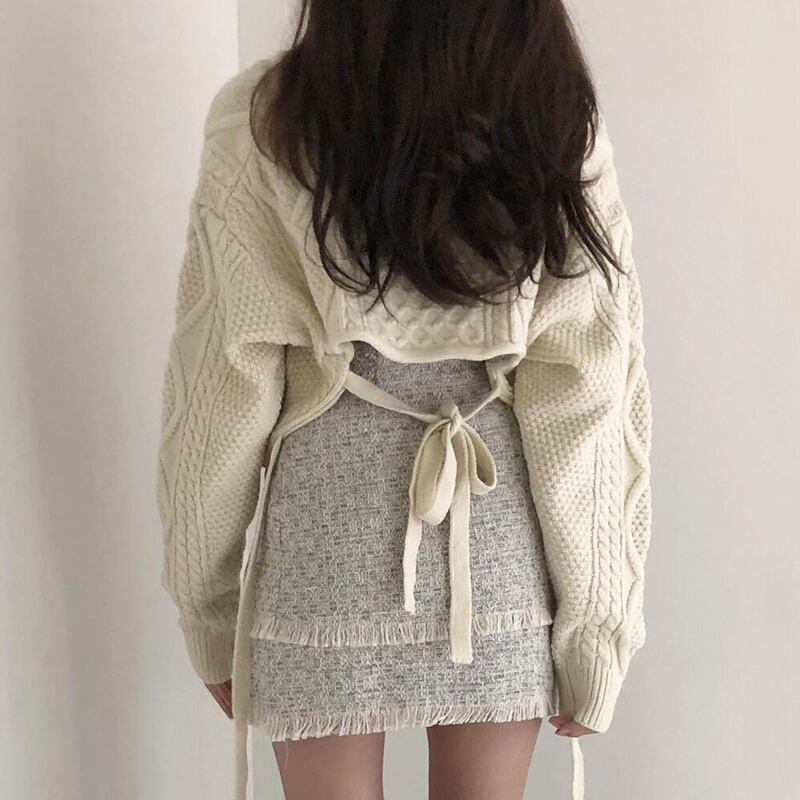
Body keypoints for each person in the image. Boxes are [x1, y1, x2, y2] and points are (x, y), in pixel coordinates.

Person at [155, 2, 653, 798]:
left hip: (323, 551)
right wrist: (598, 627)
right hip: (494, 551)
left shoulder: (263, 118)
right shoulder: (553, 115)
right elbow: (585, 395)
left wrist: (207, 609)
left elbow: (220, 389)